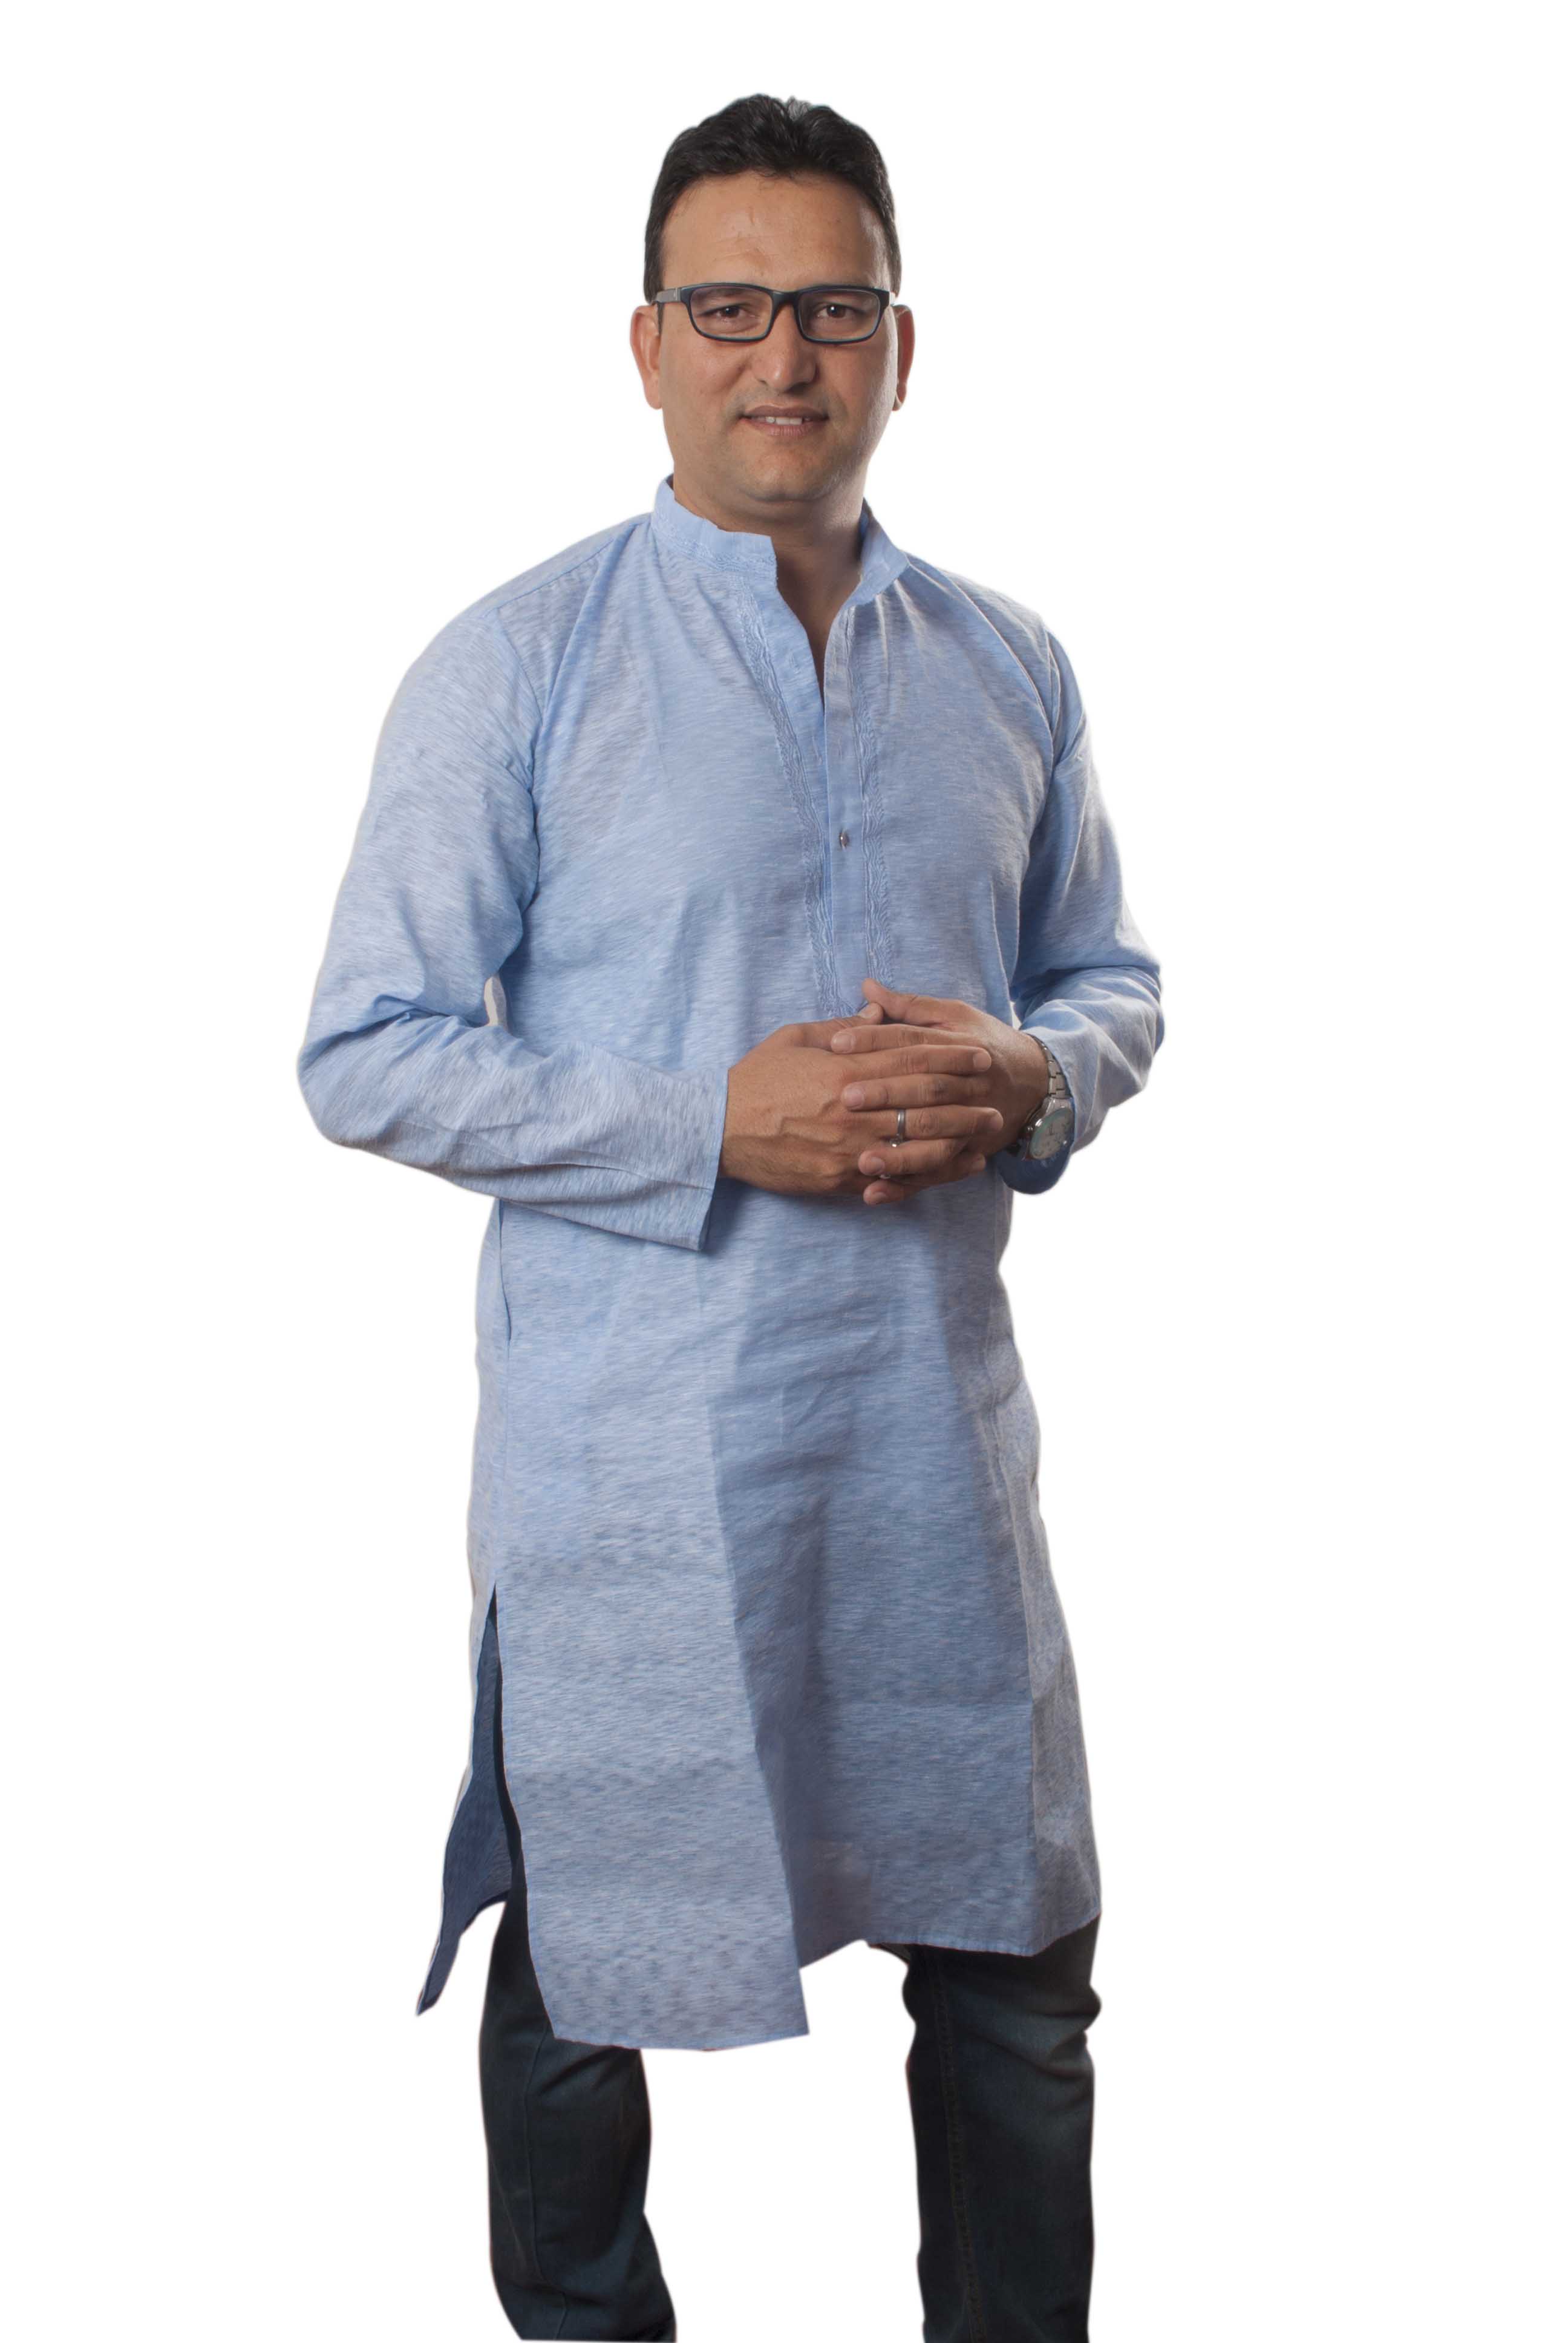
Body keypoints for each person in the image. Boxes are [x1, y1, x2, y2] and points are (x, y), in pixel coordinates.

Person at [298, 89, 1163, 2343]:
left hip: (932, 1454)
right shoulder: (524, 662)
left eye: (835, 309)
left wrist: (1034, 1076)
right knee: (584, 1982)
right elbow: (366, 1046)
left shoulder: (1007, 664)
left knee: (1020, 1984)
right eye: (730, 307)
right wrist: (711, 1123)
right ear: (648, 347)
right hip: (636, 1472)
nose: (786, 355)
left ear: (904, 345)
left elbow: (1110, 979)